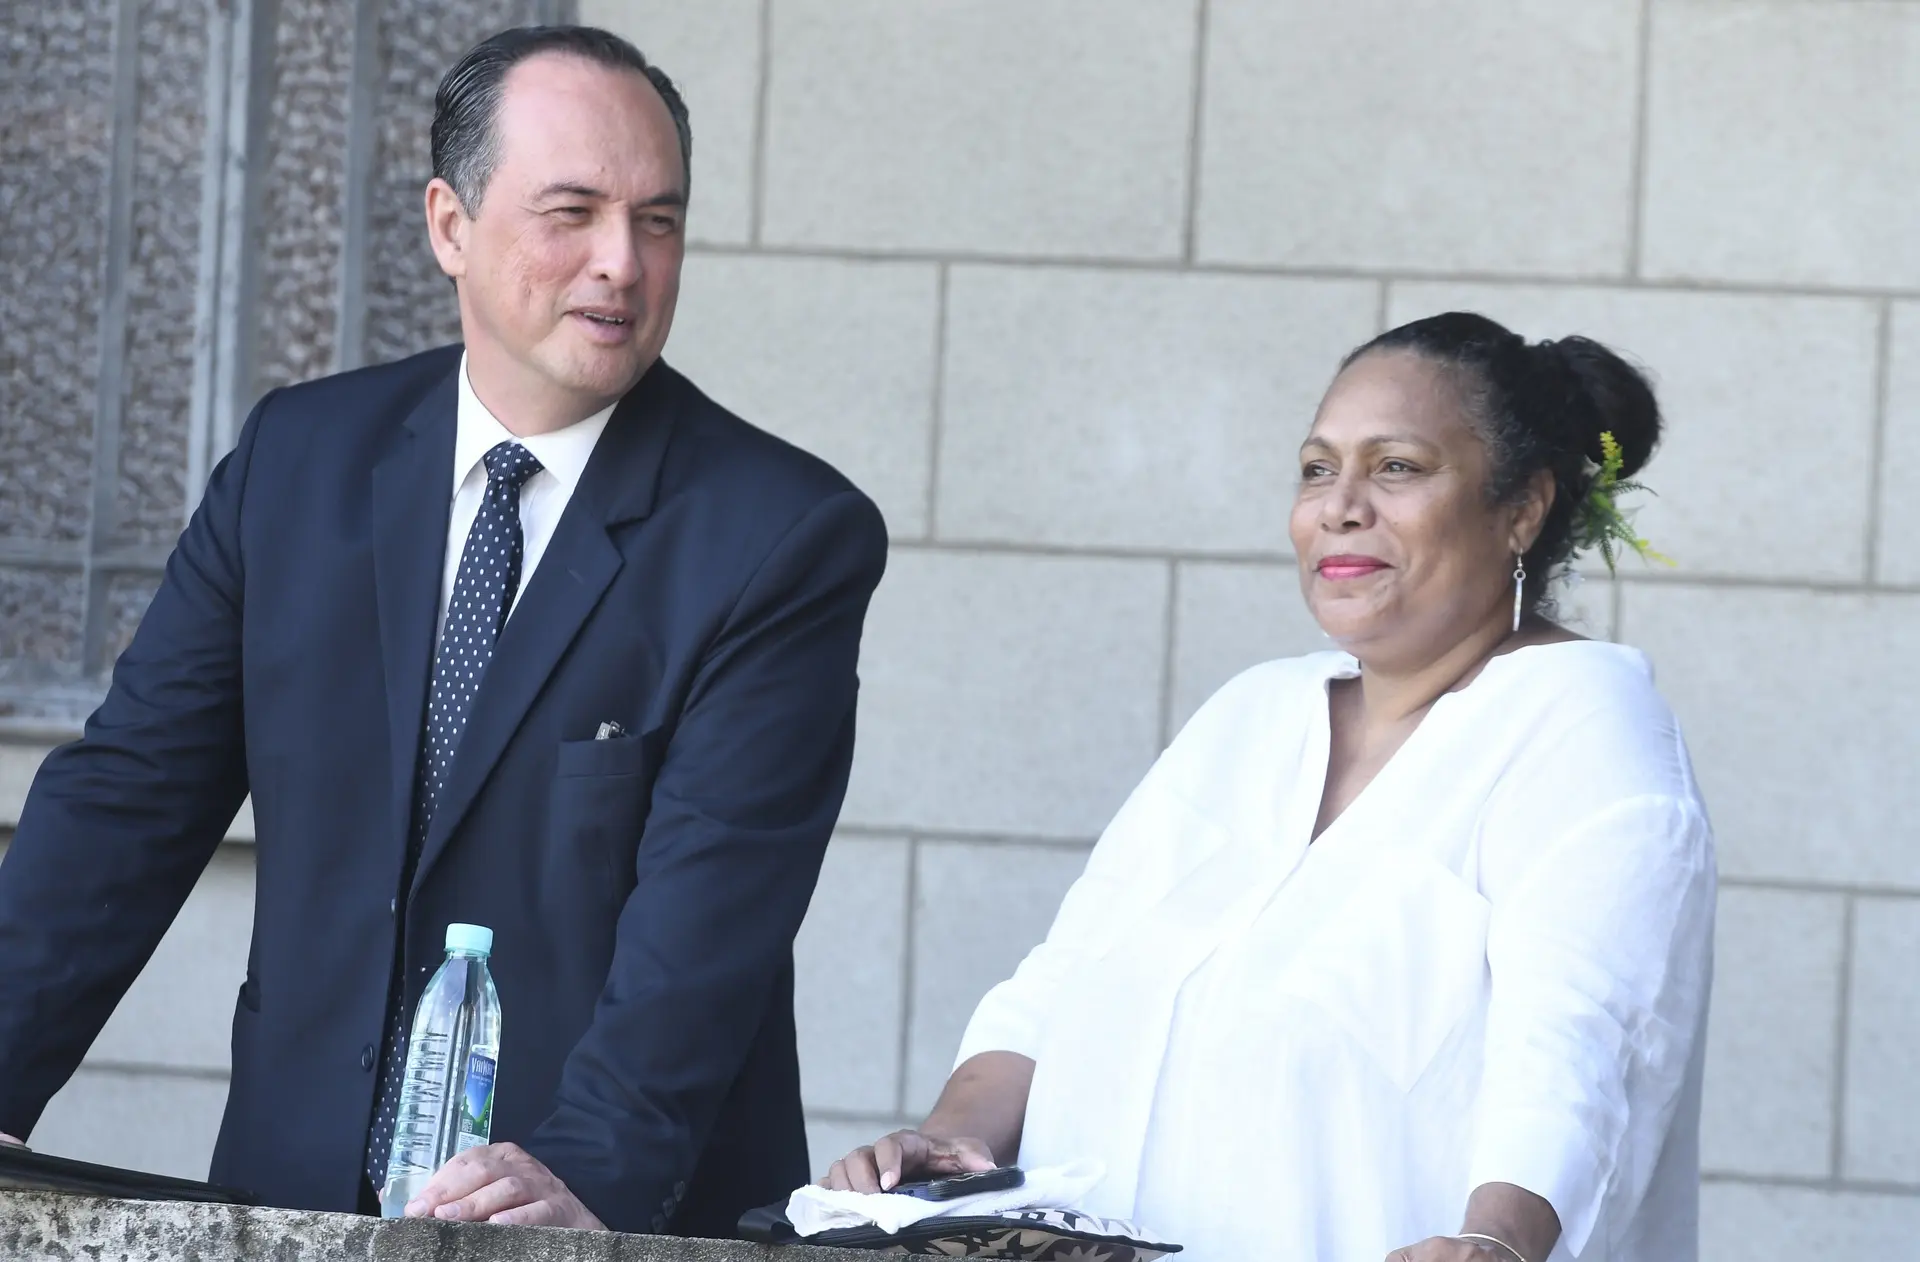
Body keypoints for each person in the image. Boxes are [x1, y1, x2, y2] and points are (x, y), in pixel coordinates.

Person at [0, 24, 887, 1237]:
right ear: (449, 225)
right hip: (287, 1198)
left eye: (659, 220)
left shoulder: (781, 536)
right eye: (571, 211)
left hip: (598, 1215)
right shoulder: (297, 464)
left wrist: (582, 1175)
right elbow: (127, 802)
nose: (621, 262)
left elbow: (713, 923)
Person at [826, 313, 1715, 1262]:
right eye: (1317, 467)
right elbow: (1062, 978)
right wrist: (952, 1133)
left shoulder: (1586, 736)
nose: (1340, 506)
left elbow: (1582, 1055)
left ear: (1524, 508)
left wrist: (1491, 1243)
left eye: (1398, 467)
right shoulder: (1253, 716)